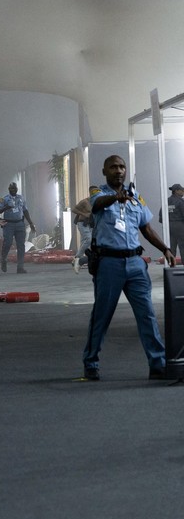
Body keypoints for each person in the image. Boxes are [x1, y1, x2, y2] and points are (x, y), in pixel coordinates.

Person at [81, 155, 175, 381]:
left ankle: (158, 364)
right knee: (101, 316)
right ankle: (91, 362)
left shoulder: (136, 198)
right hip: (109, 264)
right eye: (113, 167)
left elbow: (147, 229)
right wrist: (115, 197)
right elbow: (97, 206)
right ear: (105, 171)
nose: (118, 170)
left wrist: (165, 249)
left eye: (122, 167)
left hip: (135, 264)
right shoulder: (98, 193)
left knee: (147, 315)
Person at [0, 182, 36, 274]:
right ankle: (3, 259)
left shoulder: (21, 198)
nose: (13, 190)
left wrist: (31, 223)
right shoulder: (4, 199)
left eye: (15, 188)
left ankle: (20, 267)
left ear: (17, 189)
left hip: (19, 224)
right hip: (8, 224)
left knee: (21, 245)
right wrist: (6, 207)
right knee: (8, 243)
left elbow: (25, 211)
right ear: (9, 189)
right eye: (11, 189)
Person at [71, 185, 99, 273]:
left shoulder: (97, 202)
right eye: (93, 192)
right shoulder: (84, 202)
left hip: (90, 224)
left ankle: (79, 262)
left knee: (86, 241)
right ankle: (77, 258)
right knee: (88, 239)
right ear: (90, 192)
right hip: (82, 223)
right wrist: (83, 213)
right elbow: (74, 209)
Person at [162, 183, 184, 262]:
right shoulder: (181, 201)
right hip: (180, 226)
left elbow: (161, 215)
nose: (183, 192)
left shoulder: (167, 201)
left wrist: (167, 224)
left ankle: (171, 265)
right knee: (183, 247)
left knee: (171, 247)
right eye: (182, 190)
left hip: (169, 227)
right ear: (177, 191)